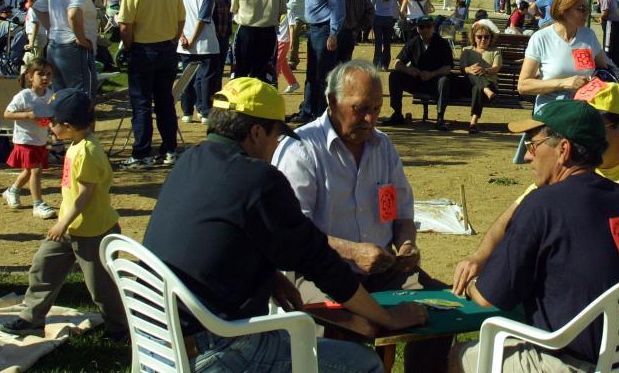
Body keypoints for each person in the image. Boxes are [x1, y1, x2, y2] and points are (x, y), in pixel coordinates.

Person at [143, 77, 426, 373]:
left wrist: (271, 277)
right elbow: (320, 262)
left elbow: (219, 241)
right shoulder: (258, 179)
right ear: (255, 133)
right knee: (363, 364)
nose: (277, 145)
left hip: (157, 340)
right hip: (217, 349)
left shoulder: (190, 161)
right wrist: (388, 318)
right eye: (276, 135)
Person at [448, 100, 619, 373]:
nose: (527, 157)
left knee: (460, 357)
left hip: (577, 363)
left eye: (533, 145)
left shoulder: (542, 205)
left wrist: (470, 286)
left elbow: (490, 296)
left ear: (564, 149)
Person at [272, 61, 446, 373]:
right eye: (361, 108)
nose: (370, 119)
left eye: (377, 109)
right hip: (318, 272)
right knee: (355, 326)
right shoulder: (301, 149)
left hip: (381, 269)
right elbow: (296, 234)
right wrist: (353, 251)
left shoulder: (383, 146)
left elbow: (401, 214)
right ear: (332, 101)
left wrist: (406, 246)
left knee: (438, 309)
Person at [0, 89, 126, 340]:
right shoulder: (77, 144)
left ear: (67, 126)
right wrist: (64, 225)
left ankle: (120, 329)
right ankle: (31, 318)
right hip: (69, 229)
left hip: (92, 233)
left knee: (101, 287)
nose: (48, 126)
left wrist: (62, 223)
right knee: (43, 266)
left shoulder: (88, 151)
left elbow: (85, 195)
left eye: (50, 122)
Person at [117, 0, 185, 169]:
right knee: (165, 100)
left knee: (142, 102)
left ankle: (142, 152)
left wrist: (128, 47)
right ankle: (169, 149)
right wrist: (173, 39)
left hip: (143, 49)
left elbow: (125, 25)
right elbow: (181, 19)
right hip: (167, 47)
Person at [518, 0, 612, 113]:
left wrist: (599, 80)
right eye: (581, 8)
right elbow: (523, 85)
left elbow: (606, 70)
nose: (587, 13)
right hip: (551, 110)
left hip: (585, 110)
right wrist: (563, 83)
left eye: (587, 8)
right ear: (563, 9)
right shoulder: (541, 38)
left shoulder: (588, 35)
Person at [31, 0, 99, 96]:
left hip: (55, 46)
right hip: (74, 48)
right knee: (81, 97)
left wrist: (53, 28)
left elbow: (38, 7)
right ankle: (78, 120)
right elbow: (73, 14)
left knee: (60, 95)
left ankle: (61, 120)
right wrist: (82, 40)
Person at [294, 0, 345, 123]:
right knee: (312, 72)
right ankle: (308, 110)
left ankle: (321, 114)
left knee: (322, 74)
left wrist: (333, 33)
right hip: (313, 29)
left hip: (324, 29)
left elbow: (337, 6)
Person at [1, 60, 56, 219]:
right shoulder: (24, 96)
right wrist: (27, 115)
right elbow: (7, 114)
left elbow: (46, 117)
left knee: (28, 171)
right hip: (25, 139)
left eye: (48, 74)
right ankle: (38, 204)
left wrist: (52, 129)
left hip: (40, 140)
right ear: (30, 77)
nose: (45, 77)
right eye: (41, 74)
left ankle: (12, 191)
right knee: (36, 170)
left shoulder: (50, 95)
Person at [384, 15, 454, 130]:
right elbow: (397, 63)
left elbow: (447, 67)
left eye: (428, 26)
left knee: (444, 81)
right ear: (417, 29)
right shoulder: (413, 42)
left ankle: (440, 118)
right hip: (416, 80)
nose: (425, 29)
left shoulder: (442, 44)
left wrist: (432, 74)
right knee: (395, 76)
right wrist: (409, 70)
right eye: (421, 27)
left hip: (435, 82)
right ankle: (397, 114)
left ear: (433, 28)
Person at [230, 0, 286, 83]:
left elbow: (234, 7)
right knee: (264, 73)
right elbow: (282, 11)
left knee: (241, 72)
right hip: (267, 33)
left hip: (245, 31)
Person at [178, 0, 219, 122]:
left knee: (187, 78)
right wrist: (193, 40)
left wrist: (182, 37)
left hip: (184, 42)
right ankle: (204, 111)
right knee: (206, 79)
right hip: (205, 43)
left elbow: (177, 16)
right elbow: (203, 19)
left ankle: (187, 111)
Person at [458, 24, 501, 134]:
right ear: (474, 37)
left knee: (478, 87)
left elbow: (496, 68)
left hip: (489, 83)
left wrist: (485, 70)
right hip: (469, 86)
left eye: (486, 37)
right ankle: (486, 90)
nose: (483, 39)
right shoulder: (467, 50)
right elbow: (463, 68)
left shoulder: (495, 51)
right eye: (479, 37)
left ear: (491, 38)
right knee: (474, 71)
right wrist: (470, 69)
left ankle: (473, 122)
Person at [209, 0, 232, 92]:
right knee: (211, 70)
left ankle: (216, 95)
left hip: (224, 35)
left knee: (220, 69)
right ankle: (207, 100)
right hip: (212, 36)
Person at [371, 0, 399, 70]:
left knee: (378, 42)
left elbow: (371, 5)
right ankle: (385, 65)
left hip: (377, 17)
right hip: (389, 18)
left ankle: (376, 64)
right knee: (387, 42)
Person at [283, 0, 308, 71]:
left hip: (299, 16)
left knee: (294, 35)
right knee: (286, 37)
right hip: (286, 14)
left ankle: (292, 61)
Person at [598, 0, 619, 68]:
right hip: (609, 23)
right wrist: (601, 18)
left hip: (615, 23)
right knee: (608, 45)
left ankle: (617, 65)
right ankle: (607, 64)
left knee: (616, 45)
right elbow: (605, 12)